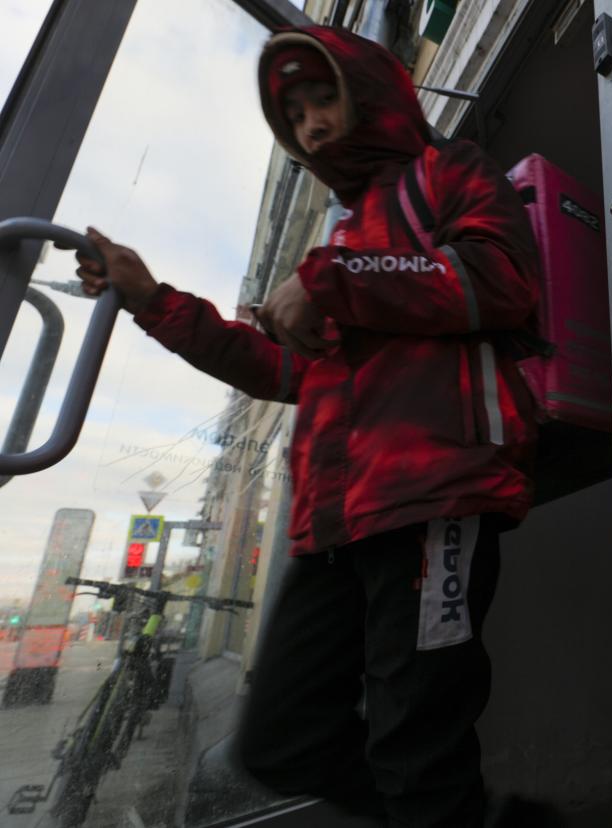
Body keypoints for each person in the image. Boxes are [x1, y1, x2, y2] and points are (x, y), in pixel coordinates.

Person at [73, 25, 541, 828]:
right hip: (331, 524)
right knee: (280, 741)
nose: (311, 124)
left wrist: (331, 281)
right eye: (292, 115)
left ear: (371, 90)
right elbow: (286, 371)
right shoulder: (342, 234)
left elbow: (501, 281)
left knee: (416, 745)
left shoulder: (446, 174)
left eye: (323, 96)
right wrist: (152, 300)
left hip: (433, 501)